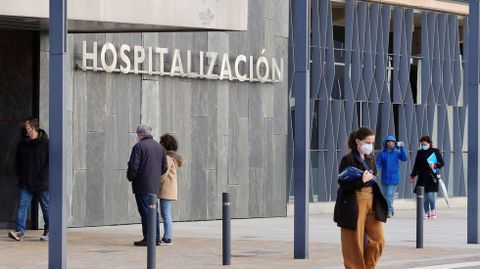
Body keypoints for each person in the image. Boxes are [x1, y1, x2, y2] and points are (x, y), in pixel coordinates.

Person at [334, 127, 387, 269]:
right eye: (368, 142)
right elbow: (343, 184)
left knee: (378, 239)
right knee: (353, 242)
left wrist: (369, 178)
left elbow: (374, 174)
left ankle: (368, 266)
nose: (370, 145)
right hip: (354, 201)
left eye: (372, 142)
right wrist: (361, 181)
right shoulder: (348, 159)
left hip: (372, 199)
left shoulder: (370, 157)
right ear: (358, 141)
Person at [8, 118, 50, 242]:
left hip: (41, 183)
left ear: (33, 128)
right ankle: (19, 231)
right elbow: (17, 162)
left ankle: (49, 230)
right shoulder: (22, 144)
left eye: (27, 126)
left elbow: (50, 162)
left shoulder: (45, 143)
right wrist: (22, 175)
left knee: (46, 207)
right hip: (25, 183)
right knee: (22, 205)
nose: (24, 128)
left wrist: (42, 175)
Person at [127, 124, 168, 246]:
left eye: (137, 134)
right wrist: (154, 176)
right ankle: (155, 237)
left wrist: (130, 177)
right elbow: (164, 167)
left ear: (140, 134)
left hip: (142, 185)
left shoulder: (138, 146)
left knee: (145, 212)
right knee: (153, 212)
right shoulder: (160, 148)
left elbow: (134, 166)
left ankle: (148, 238)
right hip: (154, 186)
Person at [158, 134, 184, 246]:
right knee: (166, 213)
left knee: (165, 214)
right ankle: (167, 236)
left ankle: (167, 238)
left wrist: (156, 182)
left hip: (166, 190)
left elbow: (163, 173)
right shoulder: (172, 157)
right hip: (169, 190)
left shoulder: (168, 158)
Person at [410, 136, 444, 220]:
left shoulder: (435, 151)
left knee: (430, 196)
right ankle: (426, 213)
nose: (423, 146)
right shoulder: (419, 152)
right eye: (421, 144)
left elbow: (442, 163)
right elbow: (416, 165)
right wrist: (412, 176)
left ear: (429, 143)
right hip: (422, 177)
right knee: (423, 196)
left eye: (424, 144)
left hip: (432, 177)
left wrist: (434, 165)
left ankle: (433, 210)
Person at [376, 136, 408, 218]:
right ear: (386, 143)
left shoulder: (397, 152)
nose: (392, 143)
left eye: (394, 142)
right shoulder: (381, 153)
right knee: (385, 195)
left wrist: (402, 148)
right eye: (390, 142)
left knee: (389, 195)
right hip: (384, 178)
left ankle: (388, 211)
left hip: (394, 178)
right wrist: (377, 170)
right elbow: (378, 163)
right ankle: (391, 208)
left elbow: (404, 158)